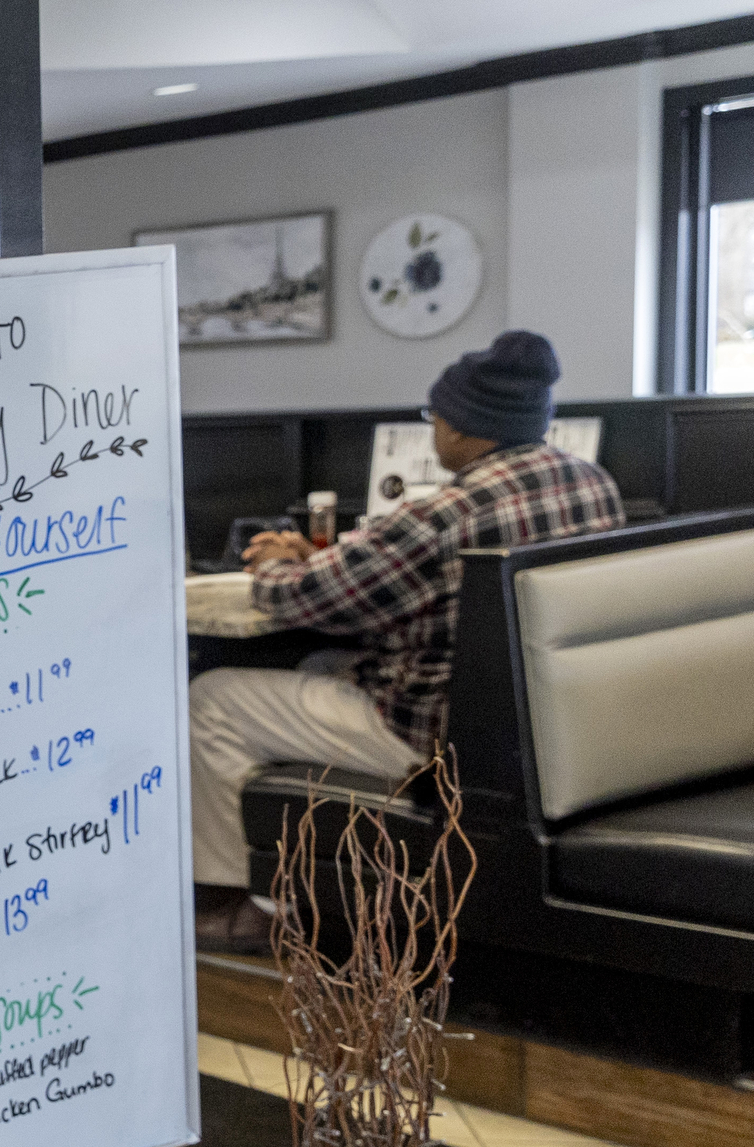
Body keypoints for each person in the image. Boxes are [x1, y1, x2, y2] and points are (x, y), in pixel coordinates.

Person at [193, 330, 620, 951]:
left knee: (211, 700)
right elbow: (381, 579)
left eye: (434, 417)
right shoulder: (590, 483)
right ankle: (305, 864)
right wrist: (321, 562)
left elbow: (301, 598)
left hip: (435, 736)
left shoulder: (446, 512)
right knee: (317, 662)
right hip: (543, 729)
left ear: (466, 427)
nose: (434, 430)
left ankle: (254, 906)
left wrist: (278, 562)